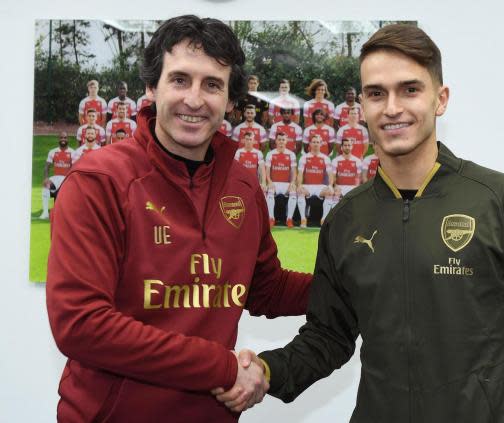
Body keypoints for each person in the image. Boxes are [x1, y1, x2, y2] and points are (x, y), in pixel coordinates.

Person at [215, 23, 504, 422]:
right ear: (362, 105)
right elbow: (329, 336)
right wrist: (265, 370)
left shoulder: (502, 201)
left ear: (441, 99)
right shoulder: (346, 218)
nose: (392, 107)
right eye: (377, 93)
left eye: (410, 89)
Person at [46, 15, 311, 423]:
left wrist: (354, 286)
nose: (195, 99)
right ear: (152, 87)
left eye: (212, 85)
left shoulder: (241, 185)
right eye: (180, 80)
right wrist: (224, 368)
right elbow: (82, 324)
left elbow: (265, 289)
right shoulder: (98, 181)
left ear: (230, 100)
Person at [296, 134, 333, 227]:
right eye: (314, 142)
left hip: (320, 187)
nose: (316, 144)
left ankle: (323, 220)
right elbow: (300, 173)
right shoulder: (304, 157)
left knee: (329, 192)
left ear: (321, 144)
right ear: (310, 144)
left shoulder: (326, 158)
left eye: (318, 142)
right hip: (307, 186)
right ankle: (303, 220)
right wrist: (299, 185)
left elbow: (330, 175)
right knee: (300, 192)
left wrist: (330, 185)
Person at [264, 132, 298, 228]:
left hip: (286, 184)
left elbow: (294, 172)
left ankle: (289, 219)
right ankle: (271, 218)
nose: (281, 142)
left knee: (293, 191)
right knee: (270, 190)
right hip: (274, 183)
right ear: (276, 141)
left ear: (286, 141)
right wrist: (269, 182)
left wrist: (292, 183)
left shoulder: (291, 154)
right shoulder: (270, 154)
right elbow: (267, 171)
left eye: (283, 140)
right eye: (279, 139)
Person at [39, 132, 74, 220]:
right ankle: (45, 212)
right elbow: (47, 167)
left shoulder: (73, 152)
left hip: (66, 179)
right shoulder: (53, 151)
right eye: (61, 138)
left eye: (65, 138)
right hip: (55, 179)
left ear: (67, 139)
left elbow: (74, 168)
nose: (63, 139)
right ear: (58, 139)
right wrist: (46, 178)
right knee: (45, 186)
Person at [330, 137, 362, 204]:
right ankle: (334, 213)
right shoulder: (335, 161)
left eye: (349, 145)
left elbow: (358, 177)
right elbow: (333, 177)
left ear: (352, 147)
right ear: (341, 147)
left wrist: (356, 188)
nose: (347, 147)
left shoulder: (358, 161)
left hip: (353, 187)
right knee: (335, 196)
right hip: (339, 187)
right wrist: (335, 186)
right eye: (345, 145)